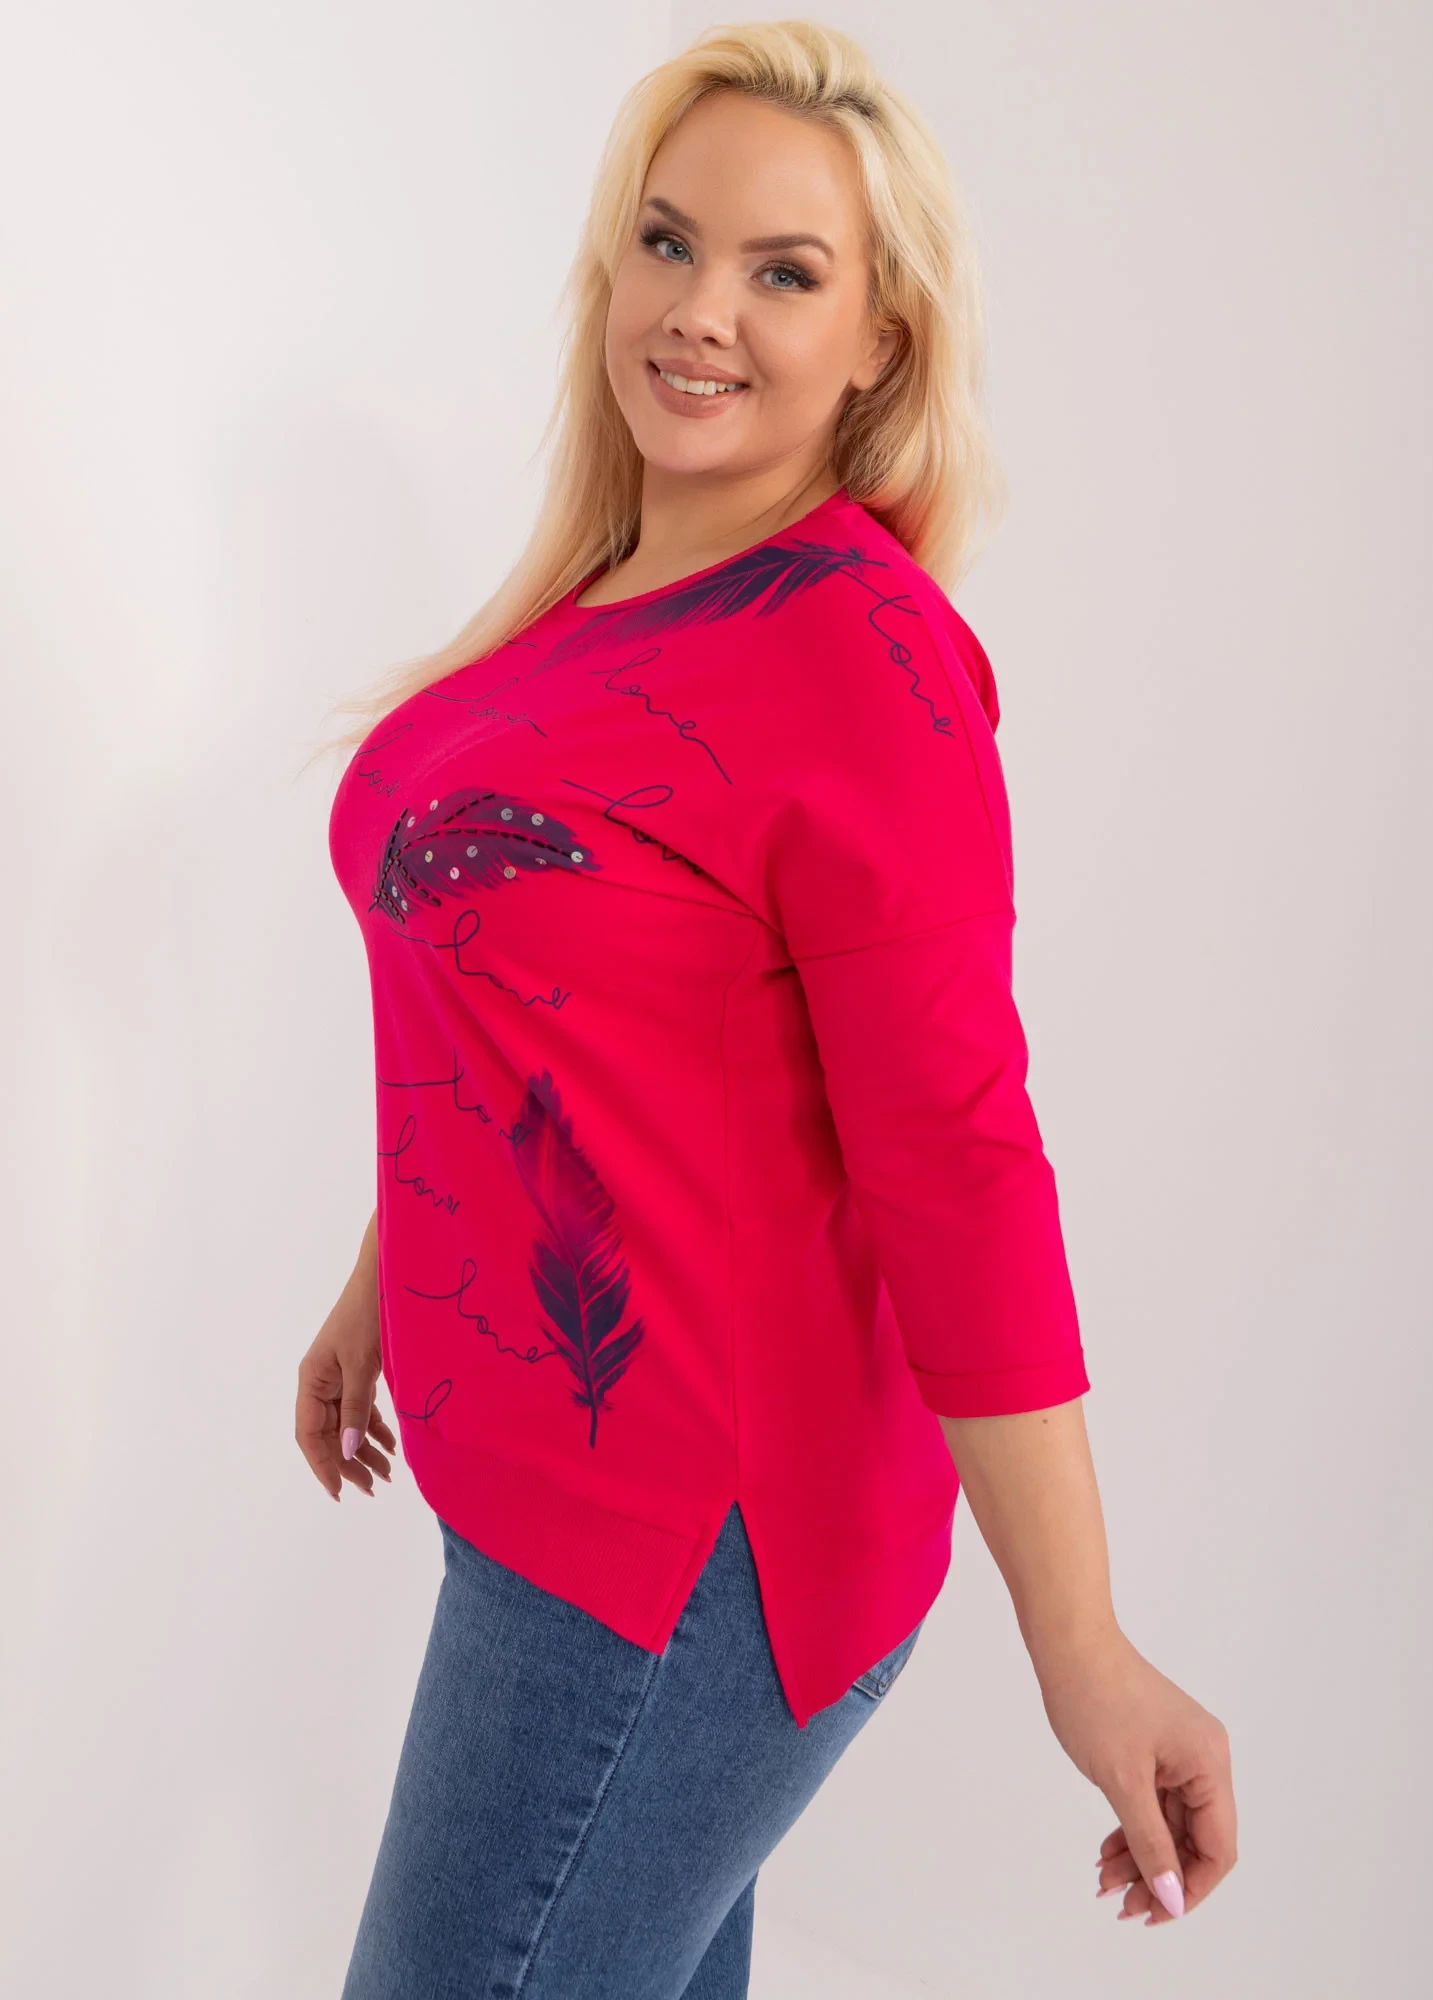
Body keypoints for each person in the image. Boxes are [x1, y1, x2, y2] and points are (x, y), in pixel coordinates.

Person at [298, 21, 1237, 1997]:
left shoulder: (863, 662)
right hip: (540, 1499)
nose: (699, 310)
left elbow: (958, 1163)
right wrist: (387, 1278)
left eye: (783, 271)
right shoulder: (580, 617)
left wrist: (1081, 1645)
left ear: (881, 338)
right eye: (668, 241)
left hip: (682, 1555)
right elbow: (541, 1016)